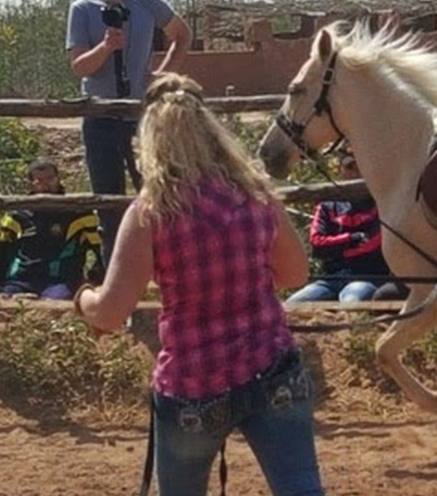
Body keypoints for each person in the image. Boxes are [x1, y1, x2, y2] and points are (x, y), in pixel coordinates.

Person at [74, 73, 323, 496]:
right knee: (300, 488)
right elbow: (296, 275)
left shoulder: (150, 212)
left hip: (194, 385)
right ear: (212, 131)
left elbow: (112, 312)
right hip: (272, 369)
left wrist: (84, 300)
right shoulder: (258, 195)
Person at [66, 0, 192, 267]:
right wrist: (106, 47)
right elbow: (80, 66)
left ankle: (164, 275)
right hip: (101, 118)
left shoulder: (148, 2)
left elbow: (182, 34)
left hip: (142, 117)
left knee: (157, 198)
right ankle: (117, 284)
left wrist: (163, 76)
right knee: (110, 206)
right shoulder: (83, 9)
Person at [286, 147, 390, 304]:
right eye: (350, 167)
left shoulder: (382, 204)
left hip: (367, 278)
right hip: (329, 280)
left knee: (350, 302)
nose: (356, 172)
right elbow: (317, 244)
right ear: (341, 170)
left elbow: (374, 244)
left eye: (361, 166)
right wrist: (352, 238)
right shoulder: (327, 206)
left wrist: (336, 247)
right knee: (292, 305)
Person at [0, 159, 104, 300]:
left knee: (55, 304)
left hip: (60, 281)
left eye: (50, 179)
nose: (46, 185)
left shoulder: (78, 214)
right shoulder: (17, 215)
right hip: (21, 280)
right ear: (30, 184)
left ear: (59, 179)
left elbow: (101, 249)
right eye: (39, 181)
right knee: (5, 302)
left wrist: (95, 278)